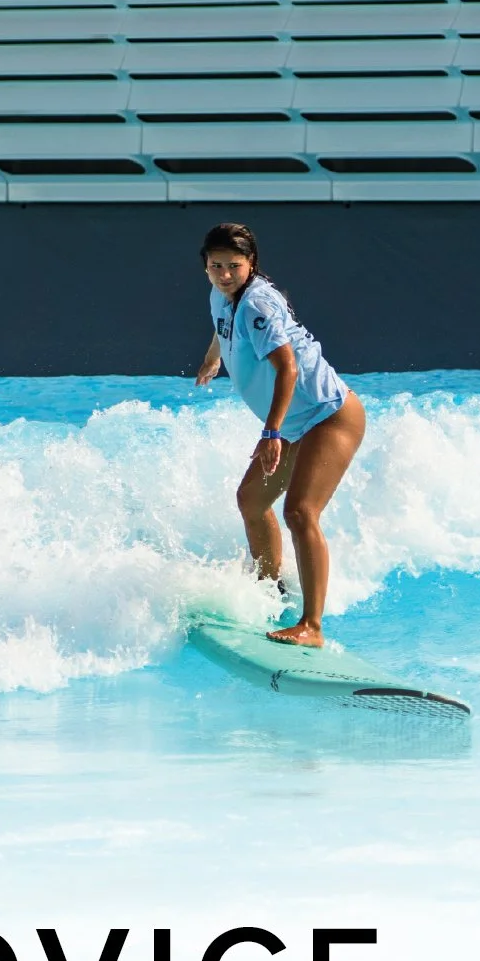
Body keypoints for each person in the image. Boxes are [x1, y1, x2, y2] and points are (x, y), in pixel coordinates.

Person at [193, 222, 365, 647]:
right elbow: (222, 325)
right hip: (293, 421)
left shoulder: (259, 305)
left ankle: (312, 626)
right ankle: (270, 592)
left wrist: (271, 433)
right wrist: (213, 358)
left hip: (328, 415)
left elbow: (287, 368)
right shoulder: (221, 294)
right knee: (251, 500)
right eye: (216, 266)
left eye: (234, 266)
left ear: (251, 264)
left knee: (300, 512)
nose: (225, 274)